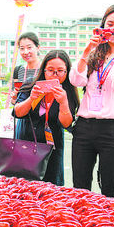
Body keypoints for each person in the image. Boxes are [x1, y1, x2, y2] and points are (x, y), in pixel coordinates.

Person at [69, 4, 114, 199]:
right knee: (80, 187)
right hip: (84, 127)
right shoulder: (95, 53)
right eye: (109, 24)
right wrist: (87, 50)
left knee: (109, 188)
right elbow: (76, 80)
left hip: (111, 130)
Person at [13, 50, 80, 186]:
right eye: (50, 70)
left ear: (67, 72)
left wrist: (63, 103)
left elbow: (66, 123)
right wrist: (32, 98)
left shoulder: (68, 90)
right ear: (43, 70)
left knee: (51, 190)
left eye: (60, 71)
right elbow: (17, 112)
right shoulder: (31, 85)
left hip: (52, 150)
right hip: (26, 145)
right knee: (24, 190)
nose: (55, 75)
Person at [7, 32, 42, 105]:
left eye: (29, 47)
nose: (25, 52)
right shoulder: (18, 70)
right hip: (21, 114)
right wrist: (14, 97)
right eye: (22, 48)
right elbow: (14, 101)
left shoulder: (46, 70)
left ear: (38, 48)